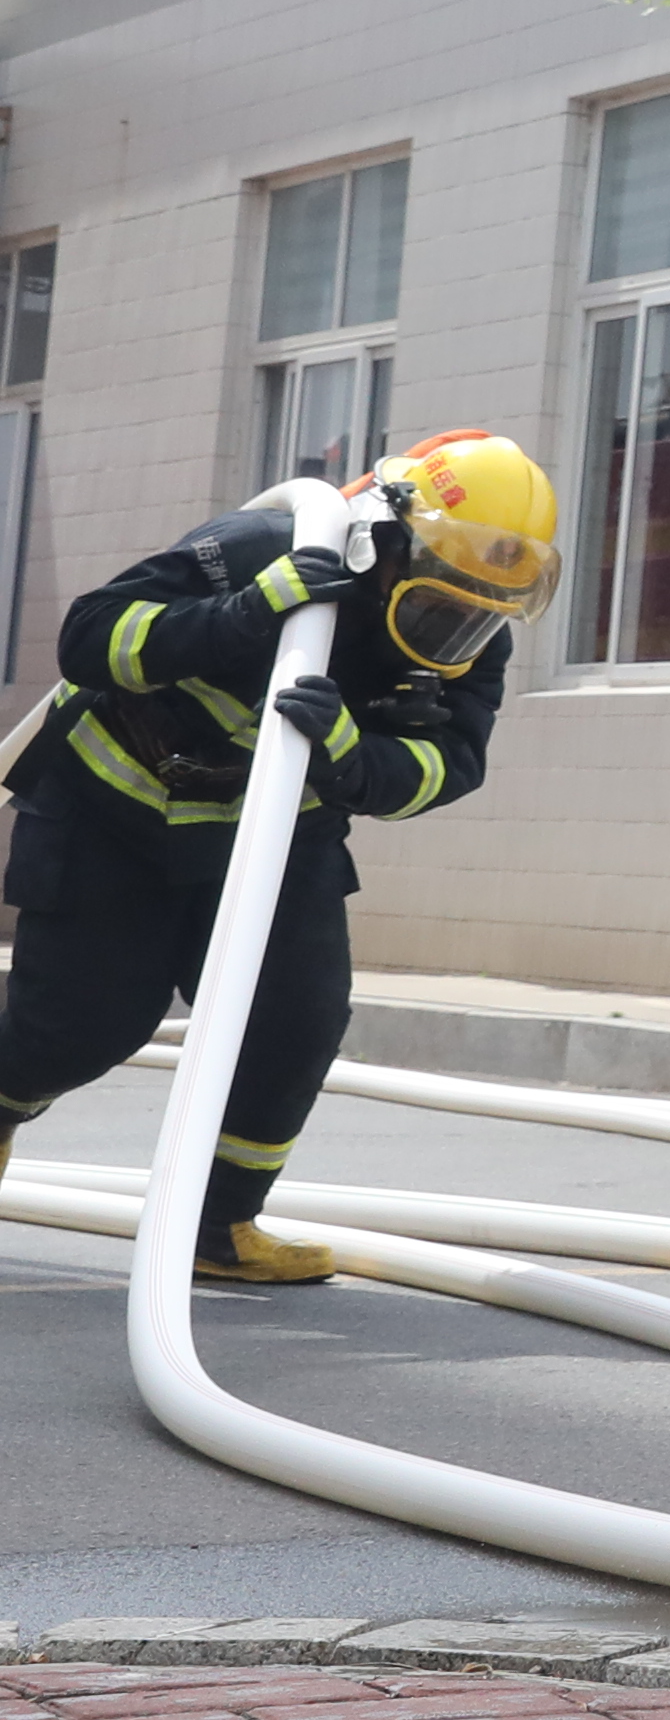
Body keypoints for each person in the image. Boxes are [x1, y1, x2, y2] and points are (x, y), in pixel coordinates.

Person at [0, 436, 559, 1281]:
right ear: (387, 544)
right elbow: (91, 636)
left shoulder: (473, 640)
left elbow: (453, 764)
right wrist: (242, 617)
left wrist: (352, 758)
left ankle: (219, 1224)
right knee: (85, 1024)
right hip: (111, 812)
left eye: (482, 607)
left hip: (273, 828)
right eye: (445, 600)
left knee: (296, 1017)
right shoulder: (265, 550)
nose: (459, 623)